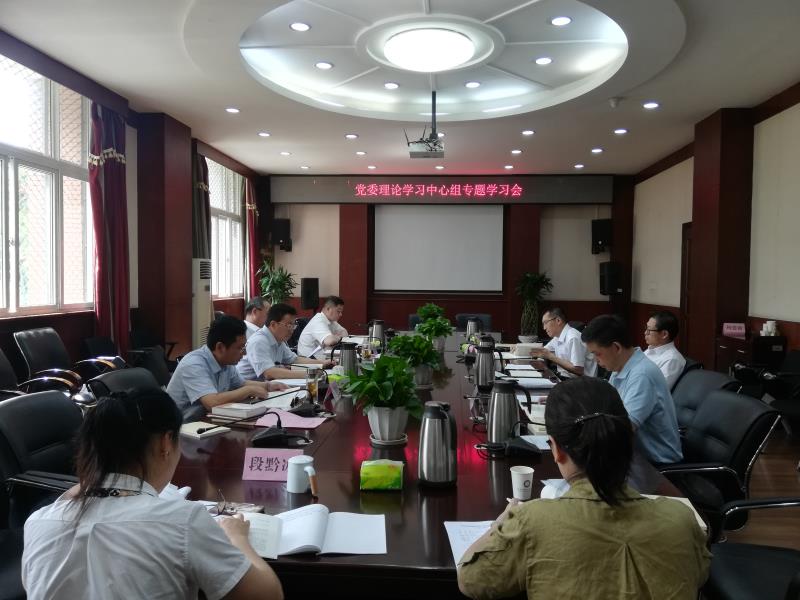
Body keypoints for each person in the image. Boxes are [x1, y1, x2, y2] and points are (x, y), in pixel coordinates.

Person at [457, 378, 709, 600]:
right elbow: (700, 573)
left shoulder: (532, 521)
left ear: (556, 449)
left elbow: (471, 579)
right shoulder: (682, 520)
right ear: (626, 442)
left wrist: (502, 521)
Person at [22, 388, 284, 600]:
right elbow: (267, 595)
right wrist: (237, 538)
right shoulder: (183, 521)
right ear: (165, 443)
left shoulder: (37, 523)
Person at [581, 314, 682, 464]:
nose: (596, 360)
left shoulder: (642, 375)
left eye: (597, 354)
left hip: (655, 464)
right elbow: (606, 407)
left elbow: (623, 429)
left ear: (616, 347)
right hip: (631, 454)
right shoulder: (620, 367)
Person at [167, 315, 287, 421]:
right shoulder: (194, 364)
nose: (244, 353)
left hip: (208, 420)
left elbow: (241, 384)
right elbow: (212, 402)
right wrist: (249, 390)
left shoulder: (226, 362)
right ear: (220, 347)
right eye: (240, 348)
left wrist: (268, 386)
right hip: (182, 428)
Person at [237, 303, 333, 381]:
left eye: (293, 325)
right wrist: (309, 374)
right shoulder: (259, 341)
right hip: (247, 392)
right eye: (289, 325)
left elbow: (294, 359)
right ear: (273, 324)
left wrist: (322, 363)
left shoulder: (279, 340)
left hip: (267, 387)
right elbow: (269, 373)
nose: (292, 330)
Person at [530, 308, 597, 377]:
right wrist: (540, 357)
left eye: (546, 323)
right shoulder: (557, 337)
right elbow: (543, 352)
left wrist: (550, 356)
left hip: (583, 381)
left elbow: (578, 369)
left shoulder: (573, 338)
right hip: (564, 378)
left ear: (558, 320)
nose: (544, 328)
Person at [644, 310, 686, 389]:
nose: (645, 333)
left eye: (649, 330)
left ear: (664, 334)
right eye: (646, 328)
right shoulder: (650, 350)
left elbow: (657, 390)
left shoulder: (672, 360)